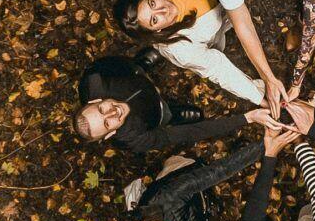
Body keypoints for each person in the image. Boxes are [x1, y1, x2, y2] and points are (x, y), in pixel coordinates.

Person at [110, 0, 265, 105]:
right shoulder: (182, 49)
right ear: (157, 30)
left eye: (152, 3)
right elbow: (219, 70)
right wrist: (259, 98)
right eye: (154, 20)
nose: (162, 10)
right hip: (227, 17)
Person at [74, 55, 250, 161]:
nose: (113, 112)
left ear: (94, 100)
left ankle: (143, 63)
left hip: (135, 77)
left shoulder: (95, 78)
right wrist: (246, 118)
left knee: (136, 66)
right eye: (107, 124)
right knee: (167, 115)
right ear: (110, 134)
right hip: (157, 113)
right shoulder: (134, 139)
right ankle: (174, 114)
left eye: (101, 110)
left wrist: (135, 67)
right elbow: (186, 133)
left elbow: (116, 62)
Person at [116, 141, 264, 221]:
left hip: (191, 171)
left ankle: (180, 155)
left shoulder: (169, 197)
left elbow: (219, 171)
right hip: (197, 203)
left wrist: (264, 147)